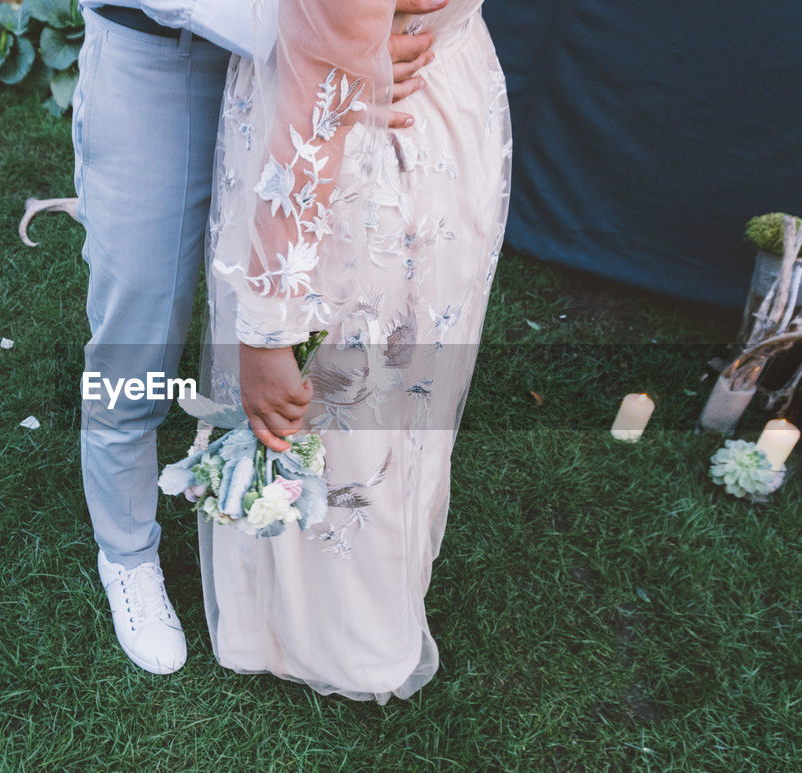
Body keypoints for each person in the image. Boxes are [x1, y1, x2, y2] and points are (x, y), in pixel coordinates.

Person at [68, 0, 452, 675]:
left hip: (300, 63)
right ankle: (125, 548)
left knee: (300, 297)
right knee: (142, 315)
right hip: (161, 54)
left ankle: (282, 533)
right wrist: (324, 37)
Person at [197, 0, 511, 701]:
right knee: (391, 389)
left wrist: (266, 332)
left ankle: (333, 634)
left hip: (364, 147)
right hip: (447, 104)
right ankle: (355, 611)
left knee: (336, 386)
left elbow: (315, 124)